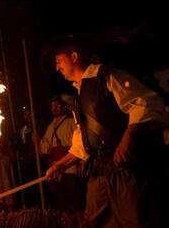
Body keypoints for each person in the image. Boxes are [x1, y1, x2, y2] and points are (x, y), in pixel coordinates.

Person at [42, 36, 169, 227]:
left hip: (125, 171)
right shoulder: (78, 95)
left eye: (59, 60)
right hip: (99, 174)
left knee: (133, 221)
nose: (57, 67)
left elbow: (144, 104)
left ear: (74, 56)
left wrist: (127, 138)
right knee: (94, 222)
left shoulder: (108, 76)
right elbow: (83, 142)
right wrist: (60, 164)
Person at [34, 94, 85, 214]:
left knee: (75, 201)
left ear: (63, 107)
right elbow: (46, 149)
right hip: (56, 169)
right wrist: (37, 141)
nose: (55, 108)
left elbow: (81, 144)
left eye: (58, 106)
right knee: (61, 202)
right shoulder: (51, 126)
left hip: (71, 167)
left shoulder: (72, 122)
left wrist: (81, 163)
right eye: (52, 106)